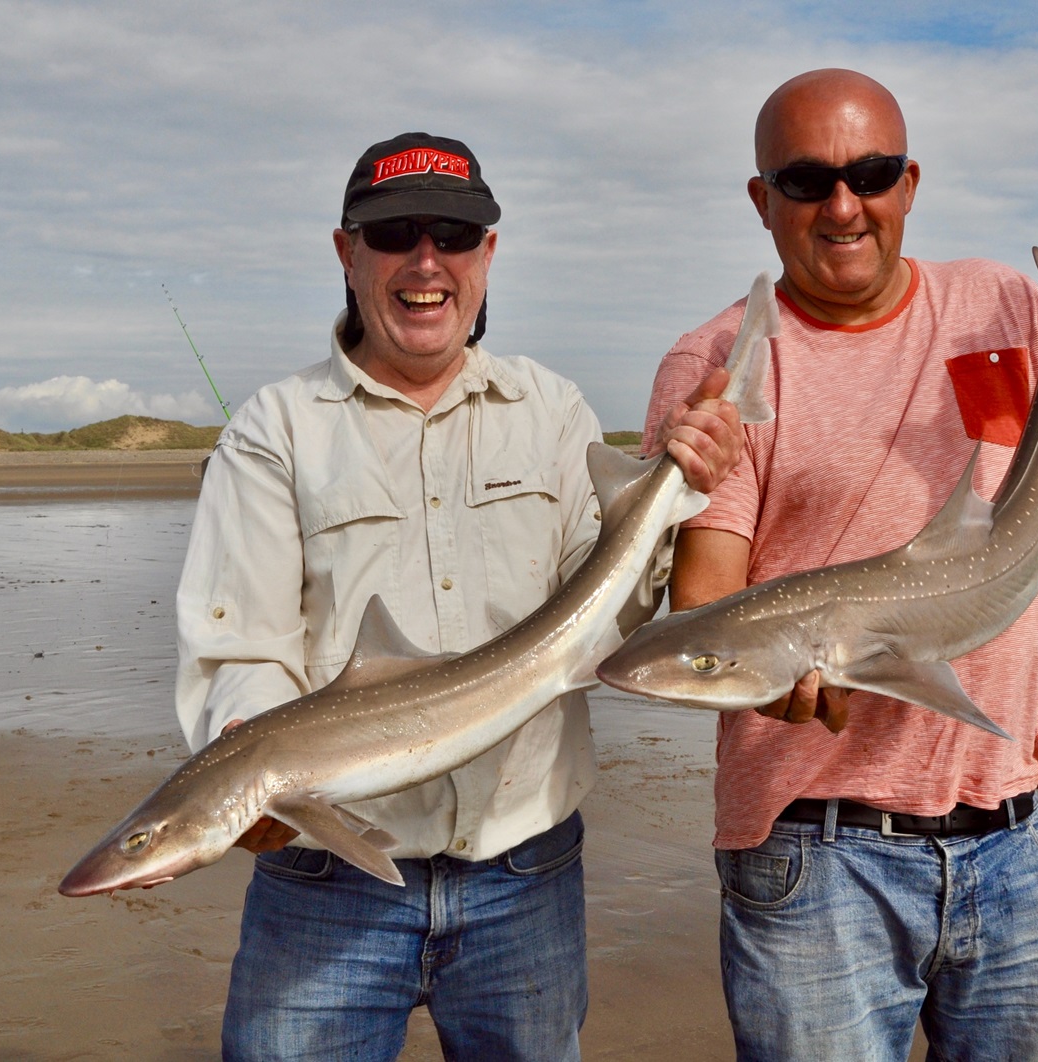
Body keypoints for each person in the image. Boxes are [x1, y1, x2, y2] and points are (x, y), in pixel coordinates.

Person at [643, 71, 1038, 1061]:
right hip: (815, 855)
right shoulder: (722, 362)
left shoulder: (1003, 308)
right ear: (761, 199)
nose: (842, 205)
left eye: (869, 174)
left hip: (1015, 844)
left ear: (908, 182)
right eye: (805, 180)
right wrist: (776, 683)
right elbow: (705, 604)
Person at [175, 132, 741, 1061]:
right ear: (346, 251)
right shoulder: (270, 432)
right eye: (395, 233)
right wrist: (258, 779)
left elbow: (614, 619)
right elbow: (240, 653)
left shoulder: (553, 411)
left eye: (455, 234)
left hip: (526, 868)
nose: (426, 261)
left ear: (488, 254)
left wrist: (676, 495)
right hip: (328, 874)